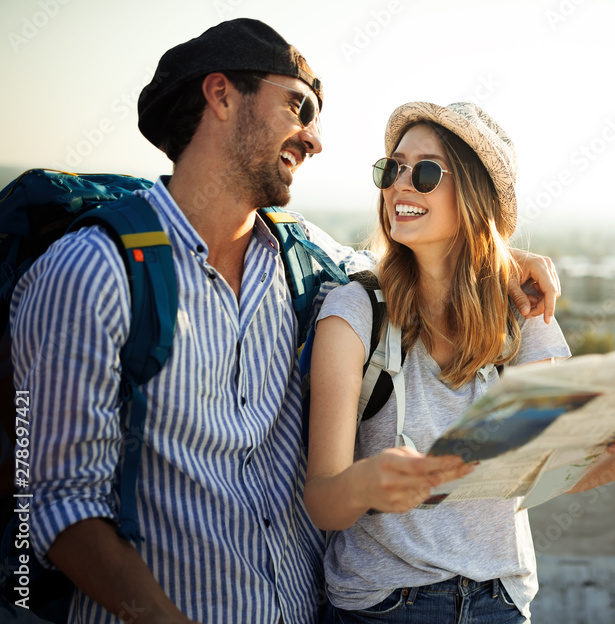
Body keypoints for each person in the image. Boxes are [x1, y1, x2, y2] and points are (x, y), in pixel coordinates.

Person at [10, 20, 560, 624]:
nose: (315, 140)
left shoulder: (304, 263)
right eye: (298, 106)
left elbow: (419, 265)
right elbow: (61, 509)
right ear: (220, 96)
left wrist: (503, 259)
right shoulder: (92, 272)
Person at [303, 102, 615, 624]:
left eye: (427, 171)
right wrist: (368, 483)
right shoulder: (355, 310)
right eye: (392, 167)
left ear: (474, 196)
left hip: (500, 602)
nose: (400, 185)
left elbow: (531, 470)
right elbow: (322, 497)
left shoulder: (526, 313)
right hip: (385, 607)